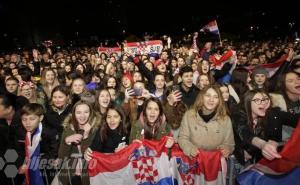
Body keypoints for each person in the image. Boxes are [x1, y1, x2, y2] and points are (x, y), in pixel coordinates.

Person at [231, 89, 299, 165]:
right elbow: (244, 132)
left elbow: (296, 119)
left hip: (268, 163)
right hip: (242, 163)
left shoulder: (274, 113)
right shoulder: (238, 115)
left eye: (266, 99)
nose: (263, 103)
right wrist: (262, 144)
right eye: (257, 100)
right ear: (248, 102)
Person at [178, 85, 235, 158]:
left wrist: (227, 149)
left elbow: (230, 143)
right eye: (208, 95)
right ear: (202, 97)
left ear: (219, 100)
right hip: (194, 162)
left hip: (215, 162)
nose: (211, 99)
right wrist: (190, 149)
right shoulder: (189, 115)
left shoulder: (225, 120)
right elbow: (183, 138)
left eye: (215, 97)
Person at [58, 100, 101, 185]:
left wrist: (86, 136)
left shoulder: (96, 130)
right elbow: (62, 157)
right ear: (74, 114)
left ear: (90, 113)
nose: (82, 116)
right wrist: (67, 142)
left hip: (88, 176)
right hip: (69, 175)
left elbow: (90, 156)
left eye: (86, 112)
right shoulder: (68, 129)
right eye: (78, 112)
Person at [17, 103, 58, 184]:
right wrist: (20, 164)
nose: (27, 123)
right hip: (27, 171)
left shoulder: (49, 132)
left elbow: (54, 151)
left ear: (41, 118)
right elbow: (18, 151)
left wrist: (34, 163)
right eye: (24, 119)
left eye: (32, 119)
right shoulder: (20, 132)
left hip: (46, 170)